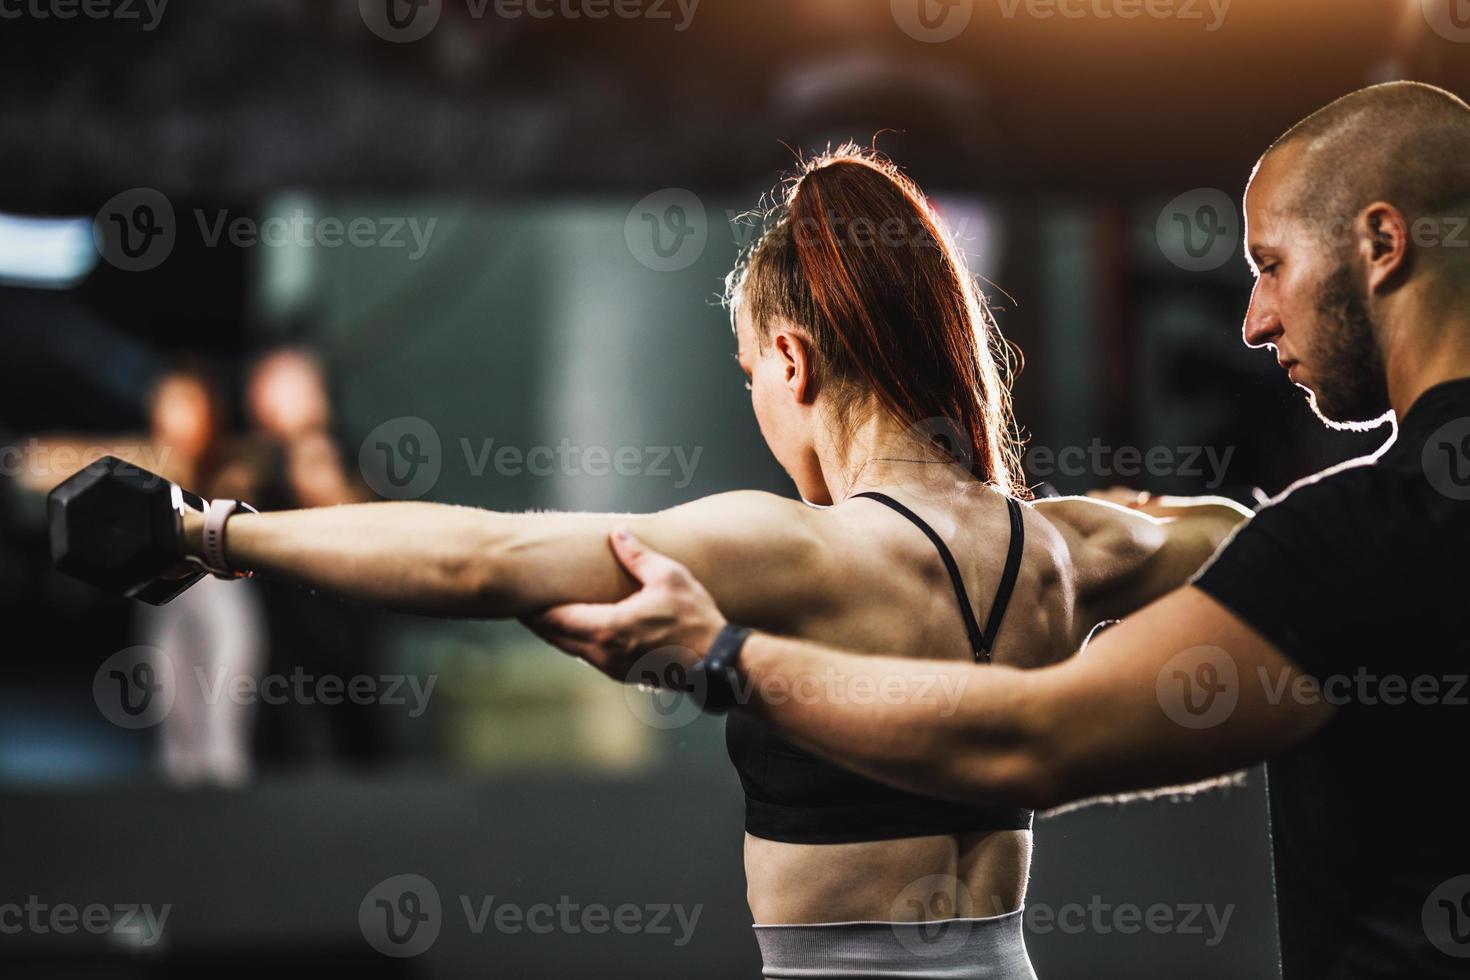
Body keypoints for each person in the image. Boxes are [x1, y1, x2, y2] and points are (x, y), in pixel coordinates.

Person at [139, 147, 1249, 978]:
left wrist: (206, 531)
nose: (758, 403)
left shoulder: (792, 549)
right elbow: (1256, 534)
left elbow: (482, 558)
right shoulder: (1075, 543)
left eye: (750, 375)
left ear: (789, 355)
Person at [529, 82, 1470, 978]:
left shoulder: (1356, 535)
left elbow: (1035, 740)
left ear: (1384, 241)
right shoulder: (1178, 546)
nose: (1255, 321)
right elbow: (1219, 545)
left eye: (1268, 264)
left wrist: (723, 655)